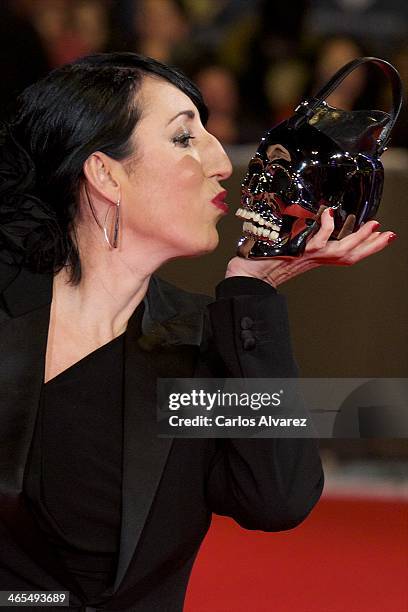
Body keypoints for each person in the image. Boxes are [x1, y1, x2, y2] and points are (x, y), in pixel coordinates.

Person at [0, 53, 396, 612]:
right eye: (184, 138)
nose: (220, 162)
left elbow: (276, 501)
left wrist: (254, 291)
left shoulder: (199, 349)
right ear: (104, 173)